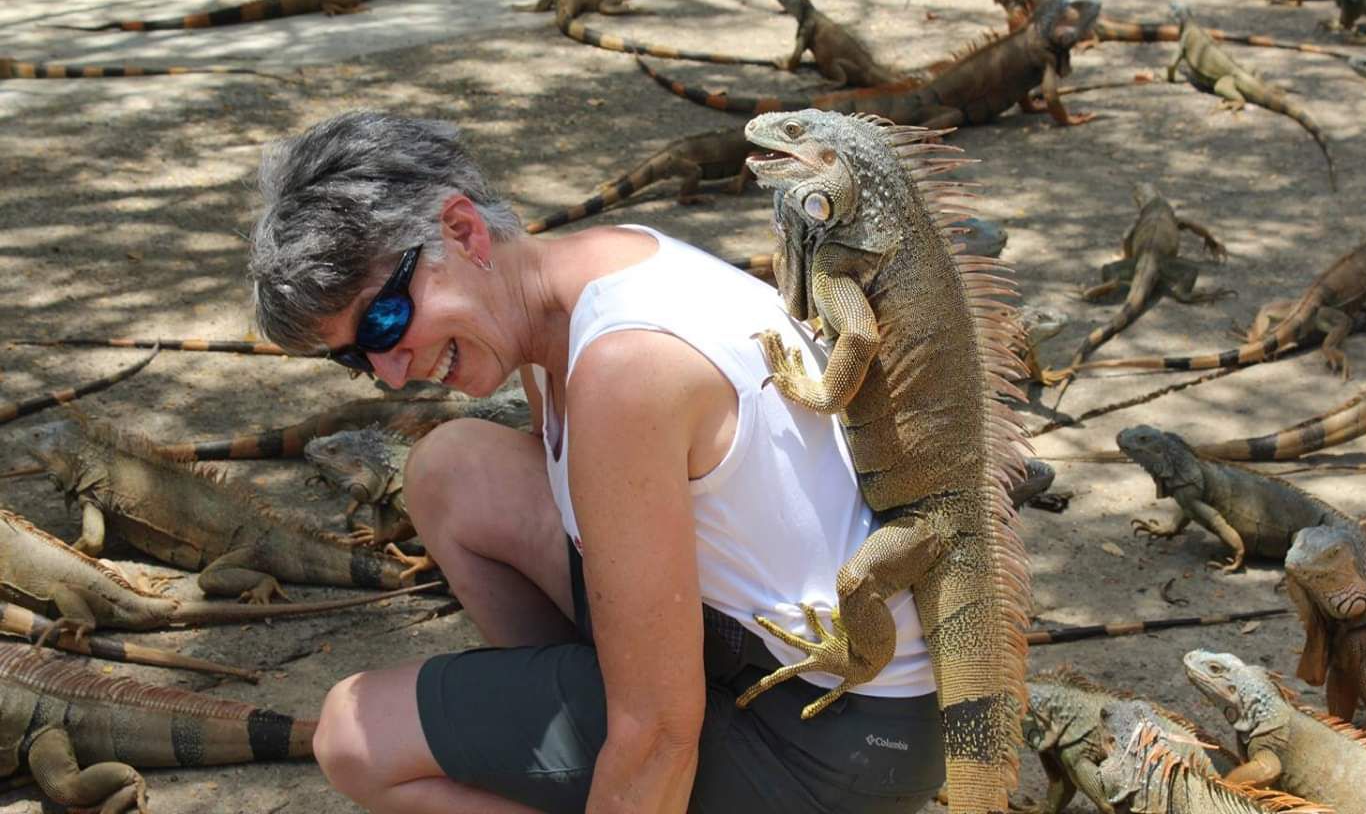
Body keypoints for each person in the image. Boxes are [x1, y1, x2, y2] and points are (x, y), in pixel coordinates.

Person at [248, 111, 943, 814]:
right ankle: (577, 749)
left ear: (463, 232)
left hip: (829, 740)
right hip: (807, 674)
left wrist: (639, 752)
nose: (391, 372)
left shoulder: (622, 369)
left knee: (353, 737)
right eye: (354, 357)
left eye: (384, 322)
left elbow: (661, 734)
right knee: (450, 470)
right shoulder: (585, 276)